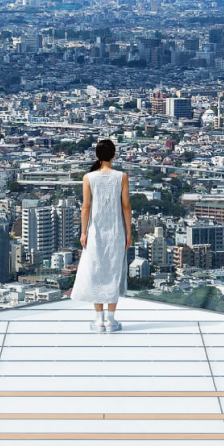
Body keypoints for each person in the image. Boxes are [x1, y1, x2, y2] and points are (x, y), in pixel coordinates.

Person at [70, 138, 133, 331]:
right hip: (116, 231)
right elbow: (126, 207)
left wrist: (83, 232)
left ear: (97, 156)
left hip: (94, 231)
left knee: (97, 272)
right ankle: (111, 320)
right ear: (114, 155)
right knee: (113, 271)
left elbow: (86, 207)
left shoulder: (89, 178)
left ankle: (98, 319)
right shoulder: (121, 177)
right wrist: (129, 232)